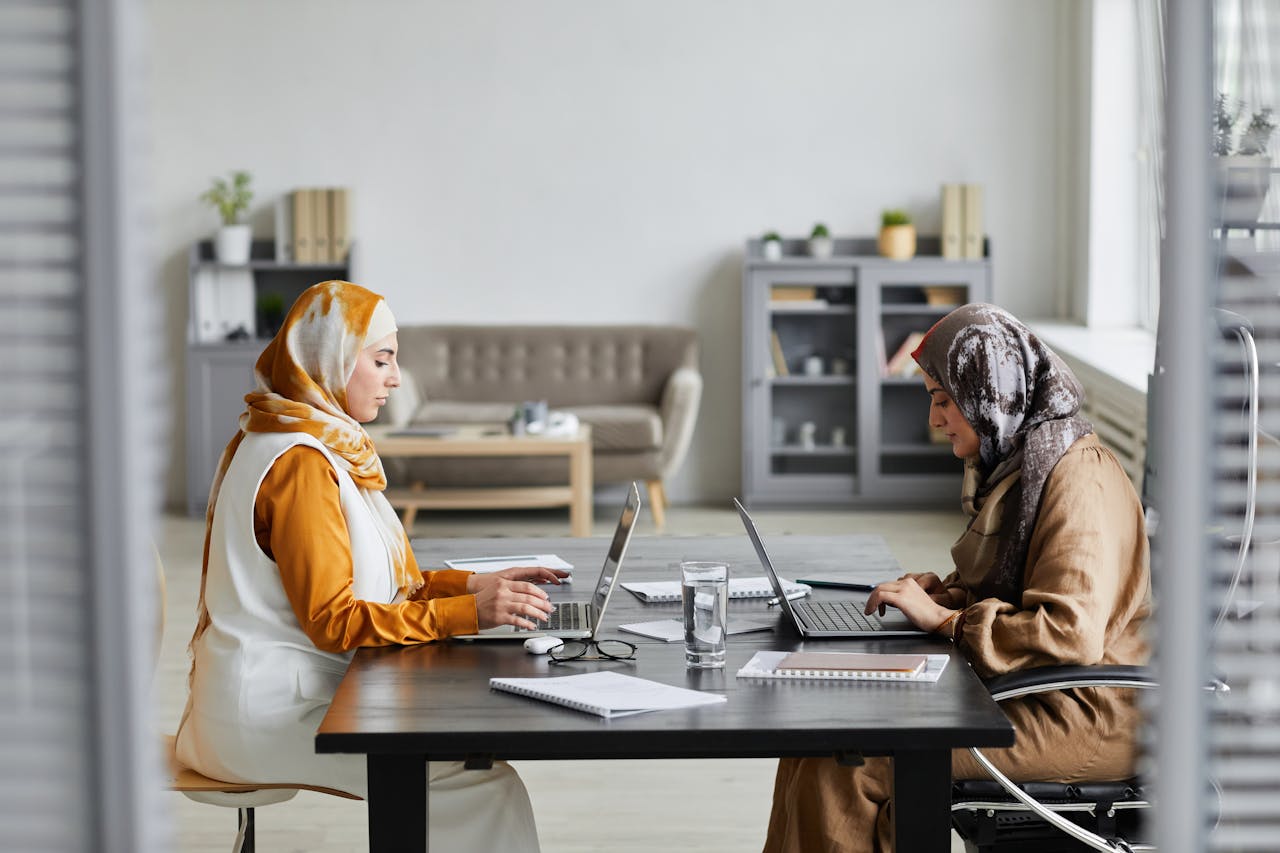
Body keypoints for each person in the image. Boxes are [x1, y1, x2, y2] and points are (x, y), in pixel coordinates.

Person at [175, 280, 566, 851]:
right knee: (478, 783)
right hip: (265, 716)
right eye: (381, 359)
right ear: (328, 361)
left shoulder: (311, 439)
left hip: (299, 695)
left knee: (472, 766)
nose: (396, 378)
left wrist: (477, 585)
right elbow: (335, 619)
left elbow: (379, 582)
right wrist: (466, 614)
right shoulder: (301, 464)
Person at [762, 303, 1151, 853]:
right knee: (819, 736)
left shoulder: (1078, 478)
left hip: (1082, 712)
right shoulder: (1024, 465)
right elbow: (1016, 590)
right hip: (1034, 694)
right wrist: (945, 594)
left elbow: (1070, 631)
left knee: (849, 763)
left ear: (990, 393)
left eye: (944, 401)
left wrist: (948, 619)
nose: (934, 419)